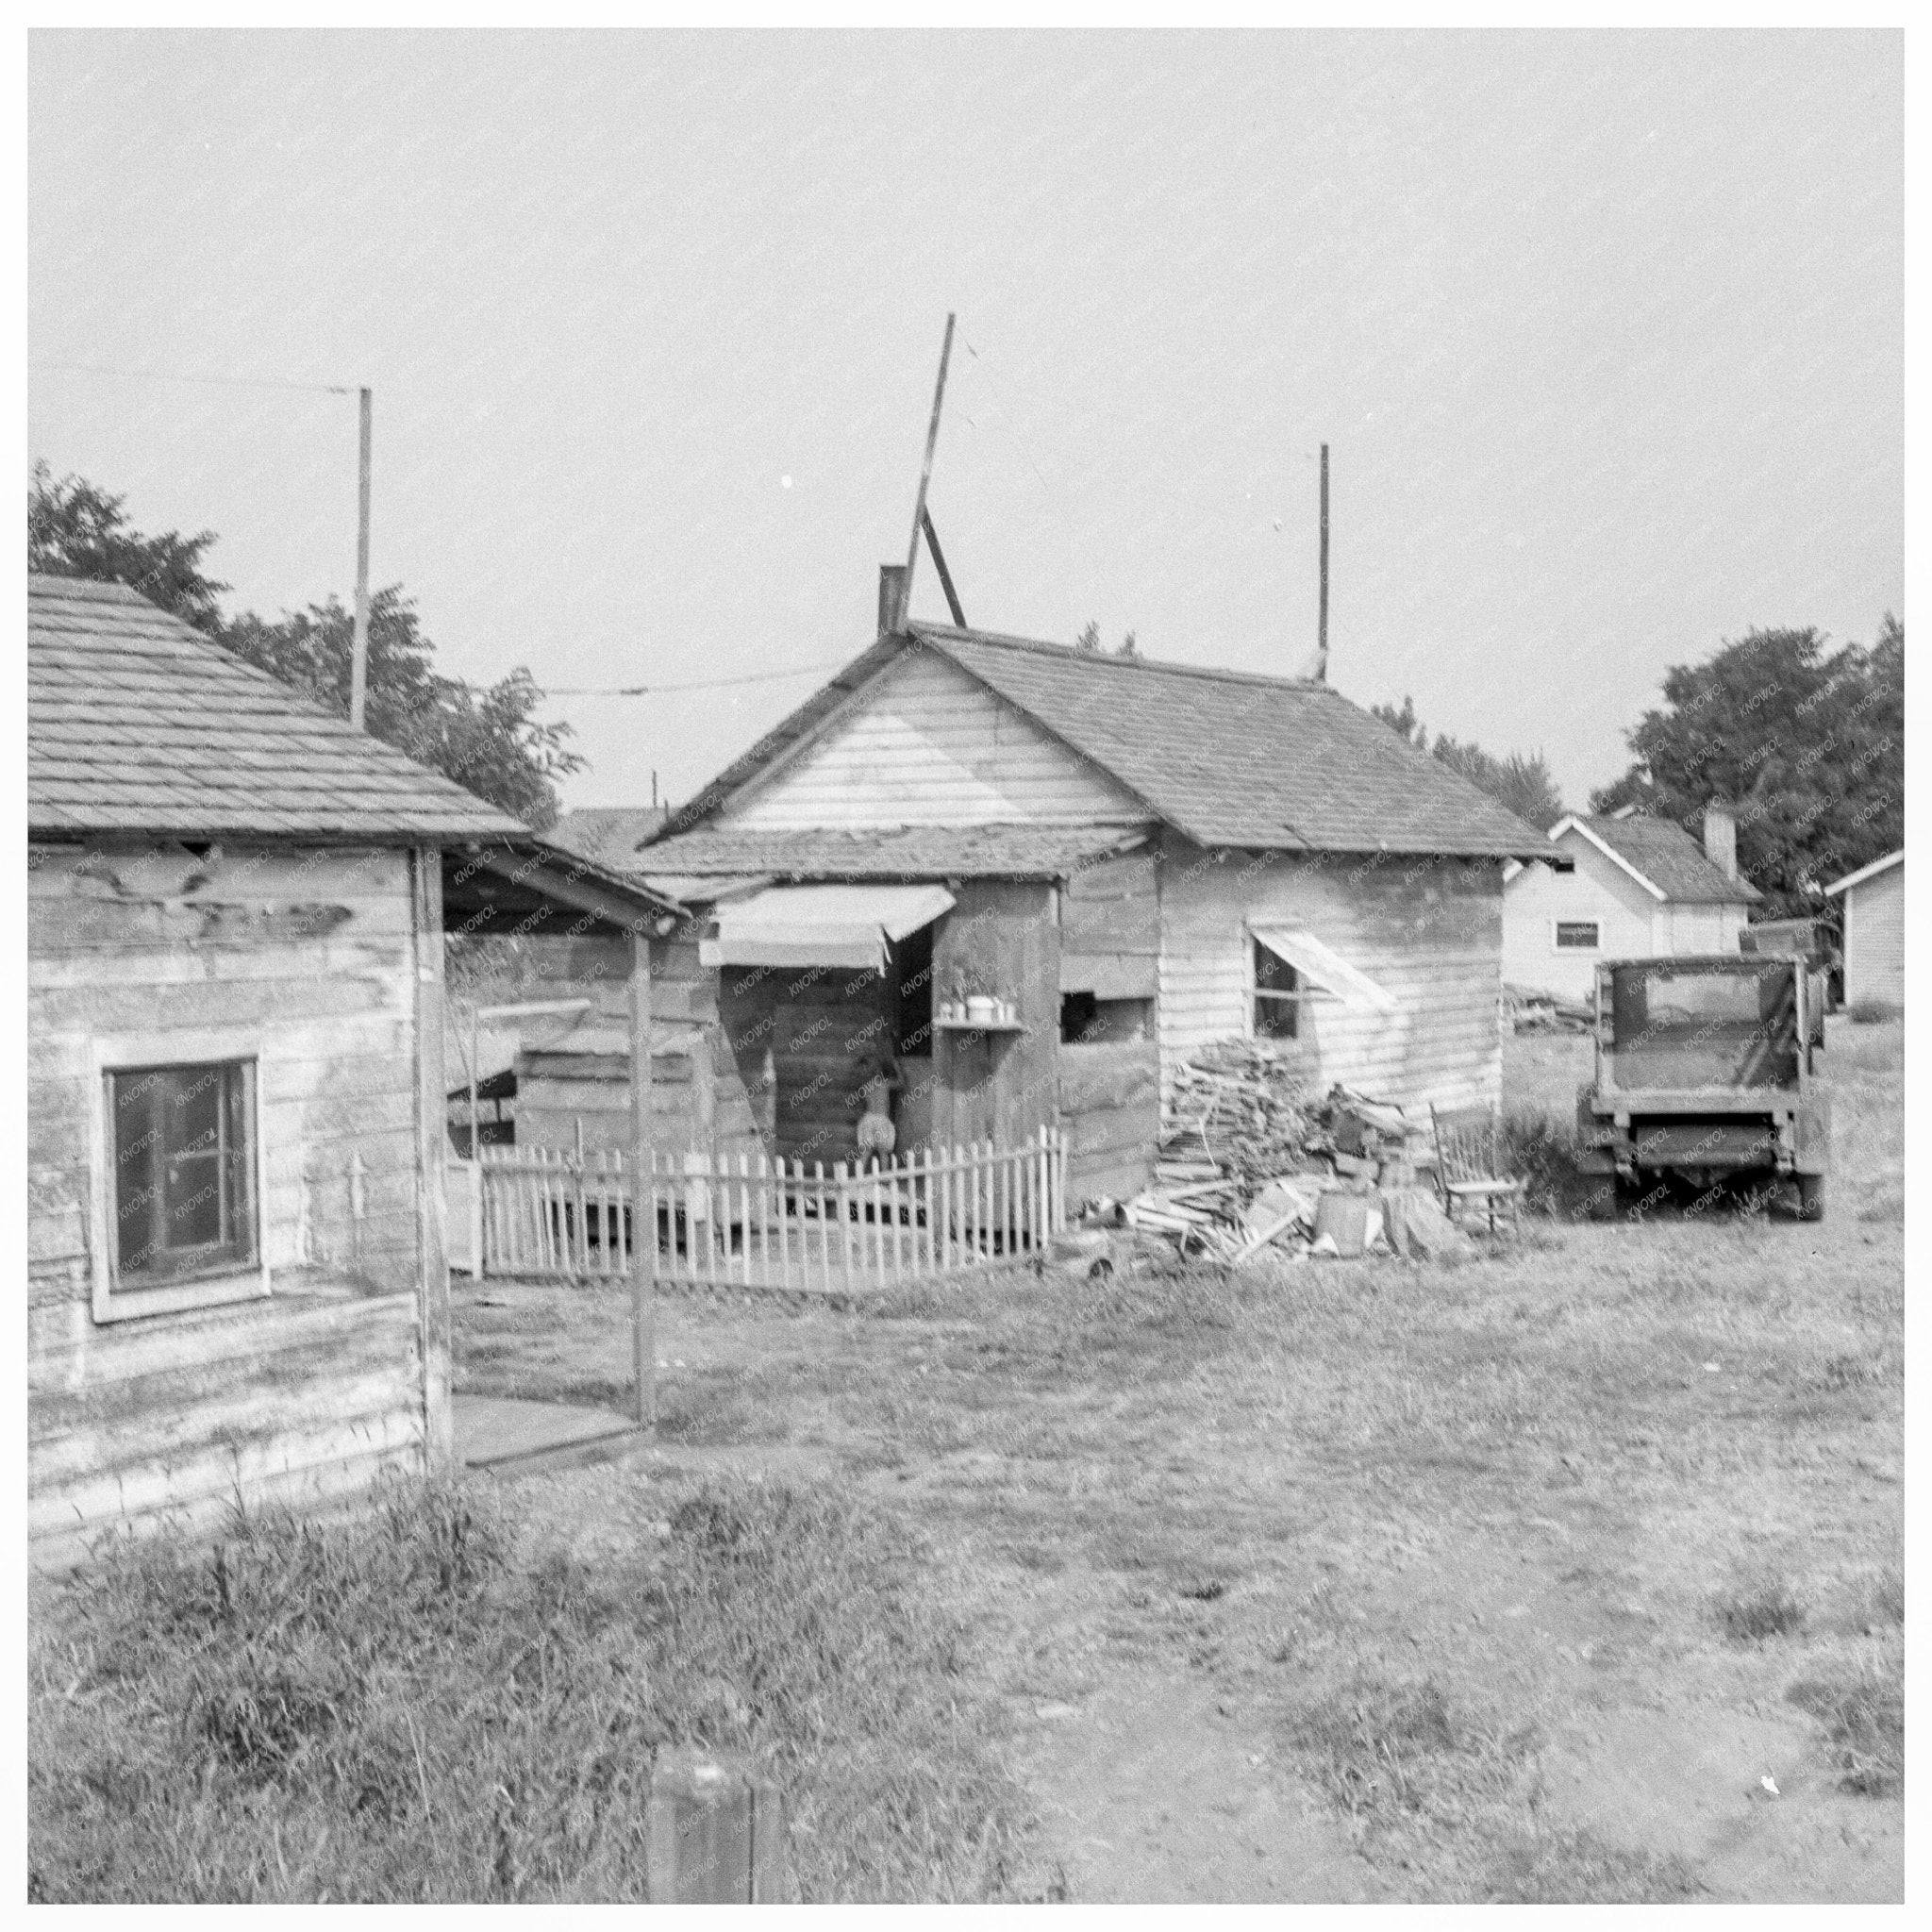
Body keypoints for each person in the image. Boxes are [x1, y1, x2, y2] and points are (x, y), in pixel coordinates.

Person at [856, 1050, 904, 1161]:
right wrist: (897, 1067)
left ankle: (860, 1176)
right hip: (881, 1119)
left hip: (869, 1118)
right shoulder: (885, 1084)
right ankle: (885, 1178)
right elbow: (901, 1083)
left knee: (866, 1152)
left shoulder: (865, 1087)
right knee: (883, 1153)